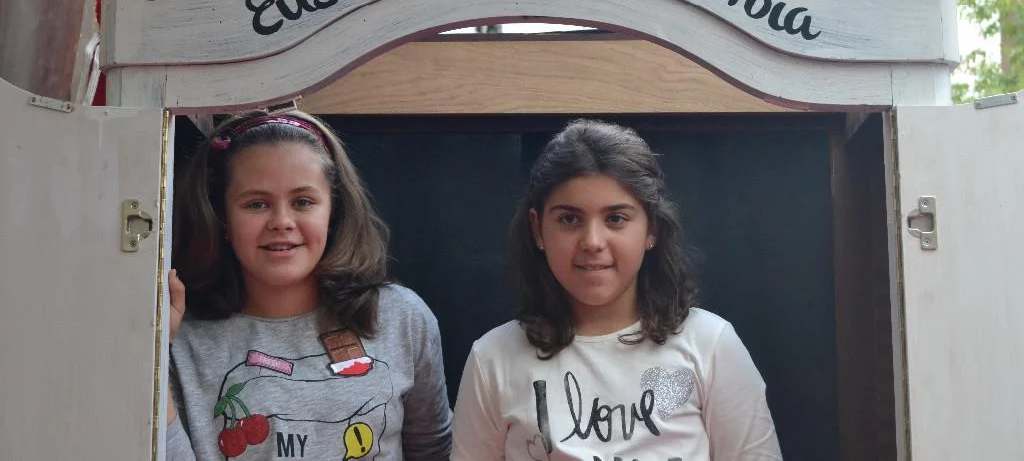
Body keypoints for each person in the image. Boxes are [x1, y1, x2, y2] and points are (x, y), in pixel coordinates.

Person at [451, 119, 782, 461]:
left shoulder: (710, 345)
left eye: (616, 219)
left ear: (651, 229)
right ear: (538, 230)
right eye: (569, 219)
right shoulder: (493, 359)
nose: (592, 242)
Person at [166, 109, 452, 460]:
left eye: (303, 202)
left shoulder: (402, 318)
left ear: (334, 212)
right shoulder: (179, 341)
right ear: (223, 217)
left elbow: (434, 451)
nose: (281, 221)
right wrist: (151, 356)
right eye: (256, 204)